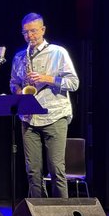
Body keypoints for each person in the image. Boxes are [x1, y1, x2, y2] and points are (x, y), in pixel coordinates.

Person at [10, 12, 80, 198]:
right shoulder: (19, 57)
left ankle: (62, 213)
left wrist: (46, 79)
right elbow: (13, 82)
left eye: (33, 31)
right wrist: (19, 91)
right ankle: (38, 211)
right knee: (33, 171)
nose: (29, 36)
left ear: (43, 30)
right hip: (29, 117)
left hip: (54, 116)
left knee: (56, 169)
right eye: (25, 32)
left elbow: (74, 83)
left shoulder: (58, 52)